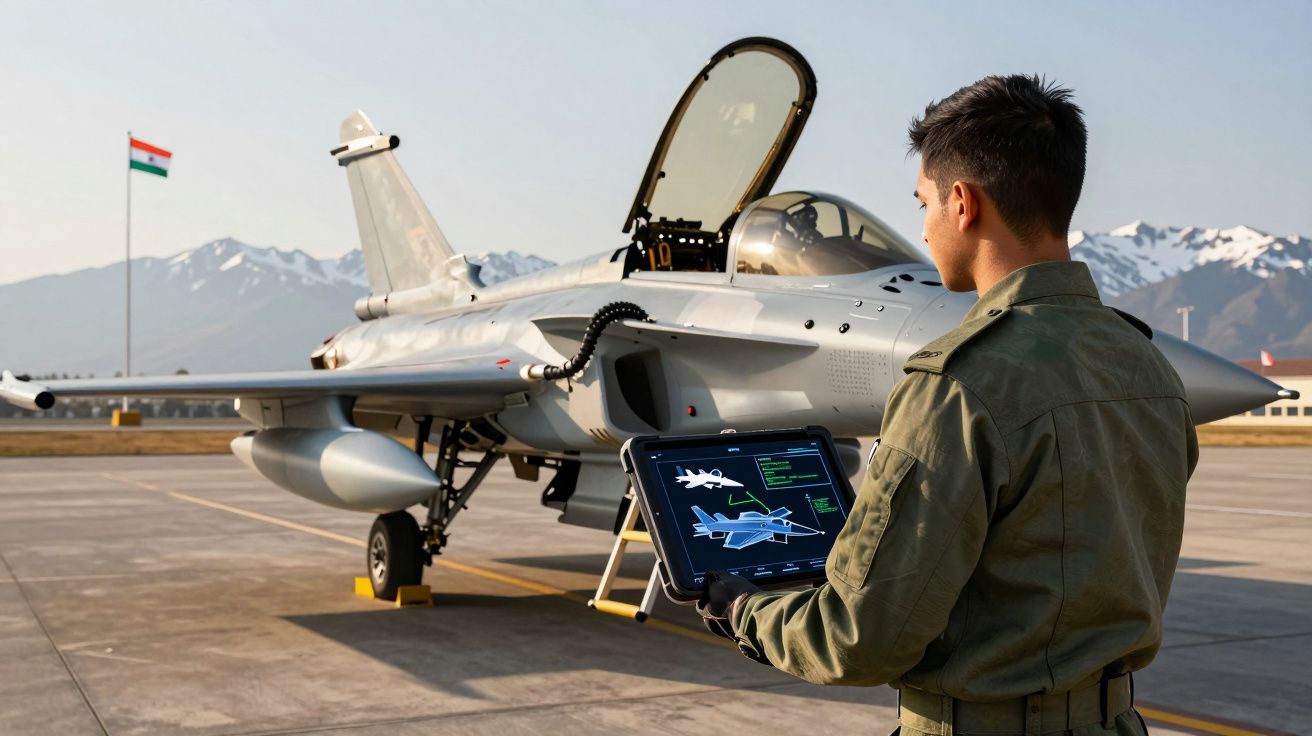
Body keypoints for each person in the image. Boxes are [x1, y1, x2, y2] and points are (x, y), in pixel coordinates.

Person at [697, 74, 1199, 735]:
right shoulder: (1147, 365)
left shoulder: (959, 385)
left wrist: (744, 611)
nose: (926, 230)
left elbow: (859, 636)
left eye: (923, 203)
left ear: (962, 203)